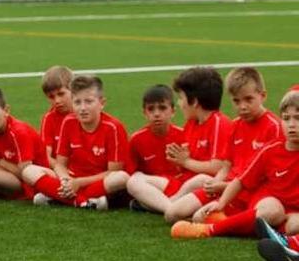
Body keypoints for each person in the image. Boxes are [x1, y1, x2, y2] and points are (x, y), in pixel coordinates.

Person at [171, 91, 298, 241]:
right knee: (273, 212)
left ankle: (266, 231)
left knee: (294, 227)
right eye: (286, 119)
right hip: (269, 203)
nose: (291, 125)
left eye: (297, 118)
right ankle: (210, 229)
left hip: (293, 212)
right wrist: (221, 203)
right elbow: (240, 181)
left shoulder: (269, 125)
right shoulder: (271, 150)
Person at [22, 75, 130, 210]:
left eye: (89, 102)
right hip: (72, 178)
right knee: (28, 170)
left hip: (97, 182)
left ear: (102, 103)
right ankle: (84, 202)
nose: (82, 108)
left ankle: (57, 197)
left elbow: (113, 171)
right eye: (77, 102)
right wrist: (66, 180)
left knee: (121, 177)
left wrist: (78, 183)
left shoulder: (113, 127)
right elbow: (60, 165)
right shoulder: (68, 121)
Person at [162, 67, 233, 222]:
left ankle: (165, 204)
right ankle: (167, 204)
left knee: (172, 213)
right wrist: (178, 159)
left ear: (194, 101)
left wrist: (185, 161)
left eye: (181, 98)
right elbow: (188, 161)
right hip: (186, 181)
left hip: (208, 184)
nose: (179, 104)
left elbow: (217, 168)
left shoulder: (219, 123)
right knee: (136, 180)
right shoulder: (191, 124)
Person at [125, 85, 187, 214]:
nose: (157, 114)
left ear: (173, 111)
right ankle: (173, 209)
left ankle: (155, 206)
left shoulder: (185, 135)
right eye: (151, 109)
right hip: (155, 188)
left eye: (162, 108)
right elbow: (132, 174)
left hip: (181, 187)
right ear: (145, 113)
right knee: (133, 181)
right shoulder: (136, 139)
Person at [39, 66, 74, 168]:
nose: (57, 101)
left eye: (61, 94)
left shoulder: (84, 114)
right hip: (60, 171)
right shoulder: (49, 118)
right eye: (51, 97)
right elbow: (46, 156)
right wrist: (63, 171)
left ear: (73, 90)